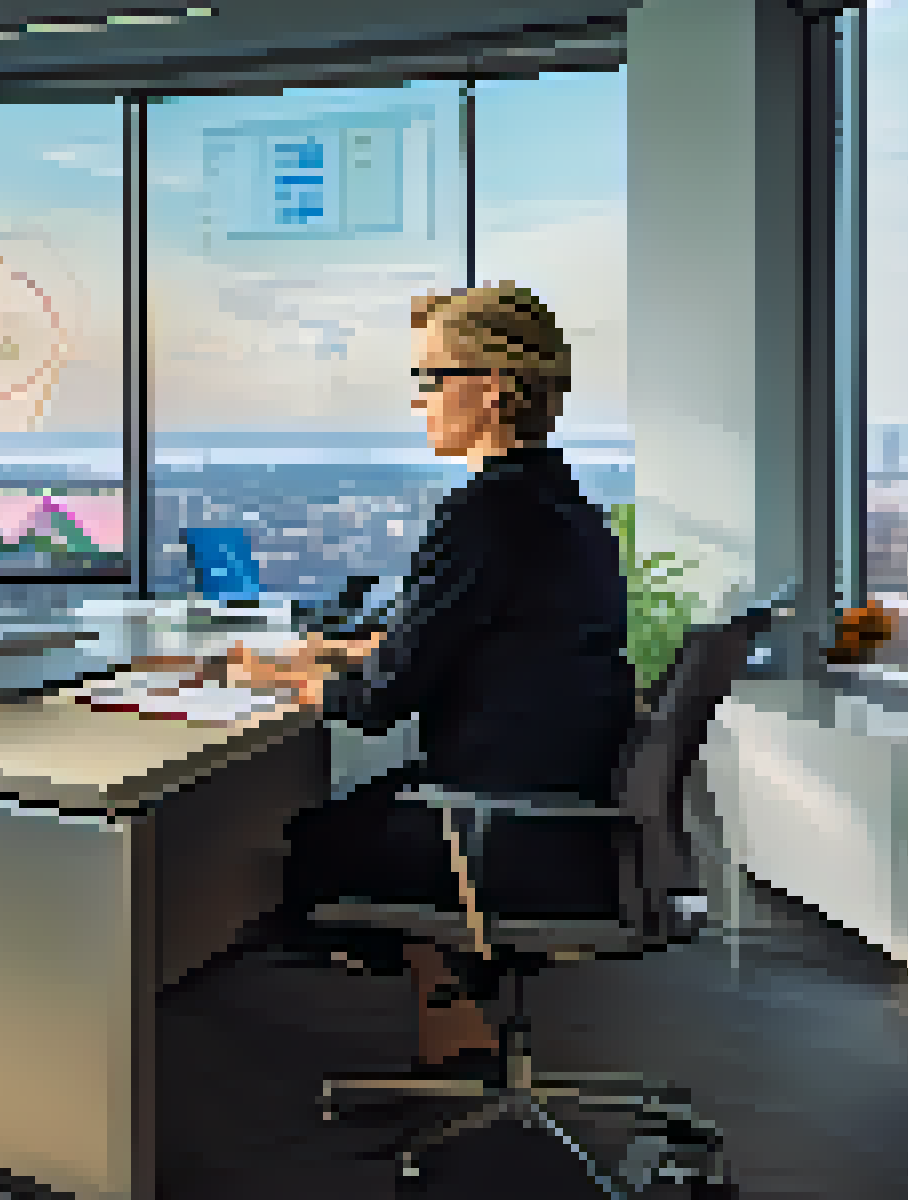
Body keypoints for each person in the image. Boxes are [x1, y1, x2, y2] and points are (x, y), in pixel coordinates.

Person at [218, 282, 636, 1075]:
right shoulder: (562, 507)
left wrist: (296, 682)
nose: (419, 401)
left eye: (430, 378)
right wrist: (351, 652)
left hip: (502, 826)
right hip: (560, 807)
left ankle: (448, 999)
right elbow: (491, 639)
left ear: (491, 388)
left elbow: (383, 703)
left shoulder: (482, 514)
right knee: (369, 811)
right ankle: (454, 1014)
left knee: (311, 843)